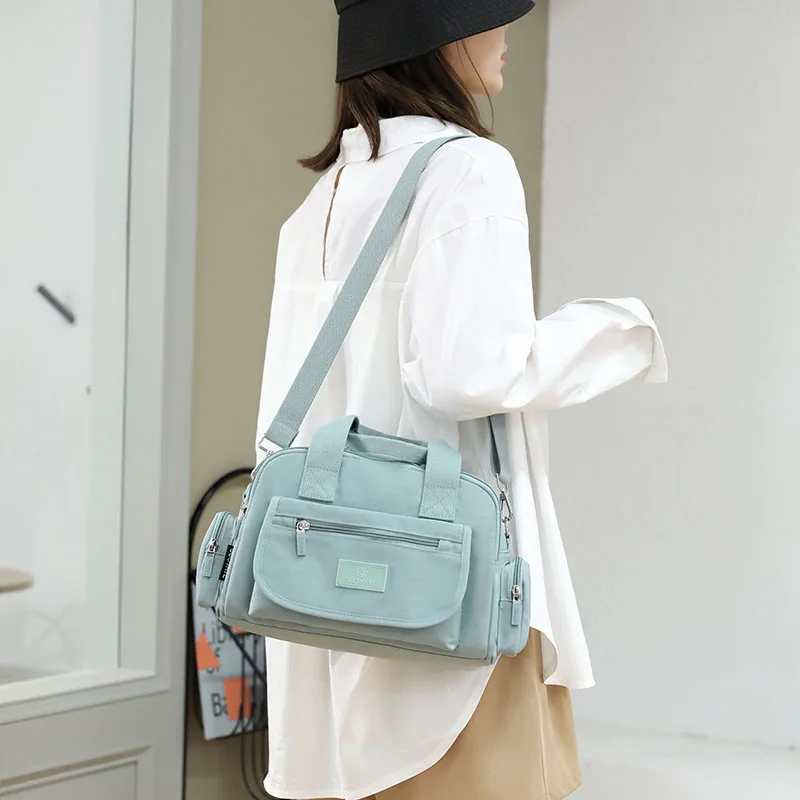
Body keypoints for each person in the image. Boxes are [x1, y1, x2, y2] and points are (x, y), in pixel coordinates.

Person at [254, 1, 667, 798]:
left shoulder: (324, 197)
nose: (507, 35)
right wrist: (616, 331)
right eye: (491, 14)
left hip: (326, 590)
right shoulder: (468, 170)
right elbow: (469, 373)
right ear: (436, 32)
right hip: (444, 593)